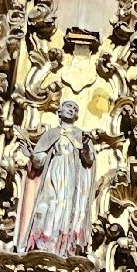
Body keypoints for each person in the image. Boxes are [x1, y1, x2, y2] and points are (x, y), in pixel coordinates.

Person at [16, 100, 96, 257]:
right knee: (48, 205)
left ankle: (64, 246)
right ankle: (44, 242)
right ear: (59, 111)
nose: (71, 110)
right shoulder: (51, 134)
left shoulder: (81, 135)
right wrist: (31, 154)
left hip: (73, 178)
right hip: (53, 173)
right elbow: (39, 160)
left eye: (75, 108)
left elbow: (89, 160)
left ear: (77, 115)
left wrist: (86, 147)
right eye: (68, 107)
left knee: (66, 207)